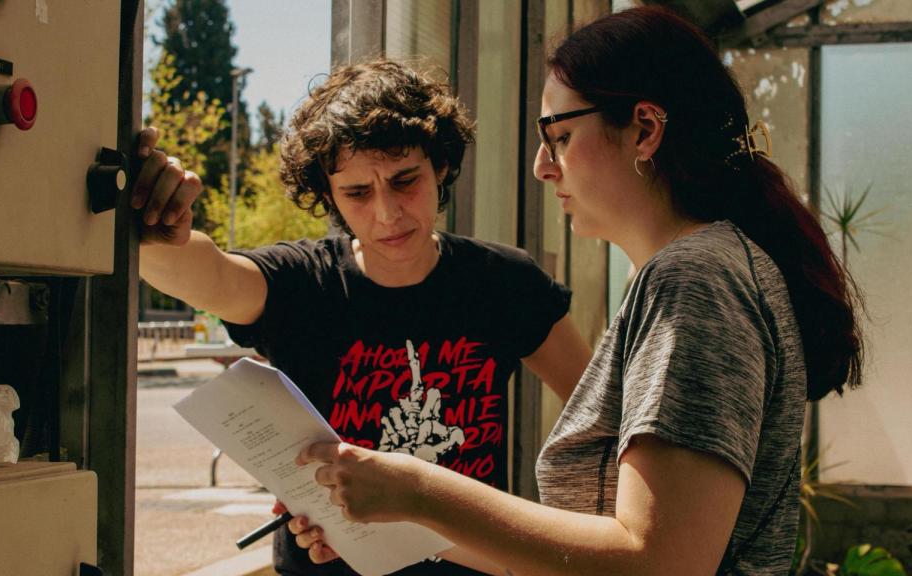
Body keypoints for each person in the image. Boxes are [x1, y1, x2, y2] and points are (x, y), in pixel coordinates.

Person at [289, 7, 864, 576]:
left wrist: (418, 488)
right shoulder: (703, 268)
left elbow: (660, 561)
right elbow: (587, 552)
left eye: (559, 136)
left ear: (645, 129)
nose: (542, 166)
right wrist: (385, 520)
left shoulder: (695, 278)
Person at [133, 60, 592, 575]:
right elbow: (207, 274)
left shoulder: (506, 282)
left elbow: (602, 419)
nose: (387, 213)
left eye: (405, 181)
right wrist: (158, 229)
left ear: (440, 166)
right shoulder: (303, 283)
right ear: (329, 195)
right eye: (357, 193)